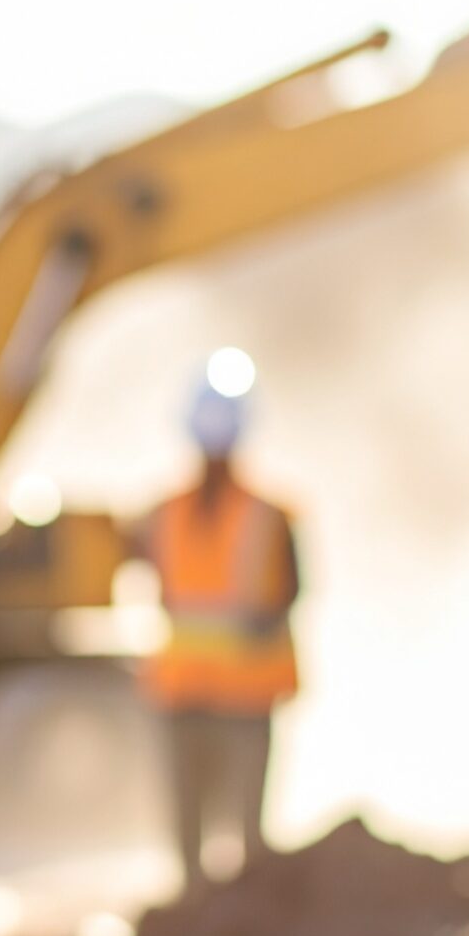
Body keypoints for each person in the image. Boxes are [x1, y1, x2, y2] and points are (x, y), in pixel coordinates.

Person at [143, 350, 301, 885]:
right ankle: (211, 917)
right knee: (211, 836)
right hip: (207, 693)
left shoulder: (169, 513)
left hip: (222, 694)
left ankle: (222, 915)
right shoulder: (255, 514)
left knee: (224, 838)